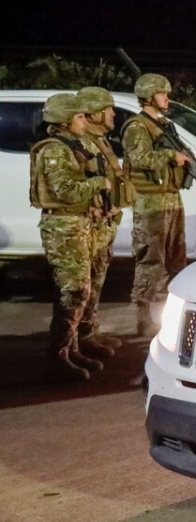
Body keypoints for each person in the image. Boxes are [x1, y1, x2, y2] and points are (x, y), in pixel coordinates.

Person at [28, 93, 113, 381]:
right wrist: (98, 183)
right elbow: (65, 192)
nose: (84, 120)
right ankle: (57, 357)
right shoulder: (53, 150)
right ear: (64, 121)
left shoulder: (69, 146)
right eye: (79, 116)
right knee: (74, 291)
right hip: (63, 227)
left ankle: (70, 349)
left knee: (77, 291)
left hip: (78, 224)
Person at [123, 73, 192, 336]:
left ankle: (170, 317)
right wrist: (170, 156)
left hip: (171, 197)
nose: (167, 98)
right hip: (150, 200)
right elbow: (139, 158)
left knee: (176, 260)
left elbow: (184, 153)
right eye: (163, 93)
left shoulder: (164, 124)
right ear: (150, 96)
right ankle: (143, 317)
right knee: (151, 259)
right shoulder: (137, 127)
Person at [76, 86, 135, 354]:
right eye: (108, 109)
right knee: (83, 283)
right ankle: (79, 337)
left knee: (96, 279)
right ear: (95, 112)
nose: (113, 113)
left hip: (105, 223)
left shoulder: (100, 139)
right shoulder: (83, 143)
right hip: (91, 225)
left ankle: (89, 331)